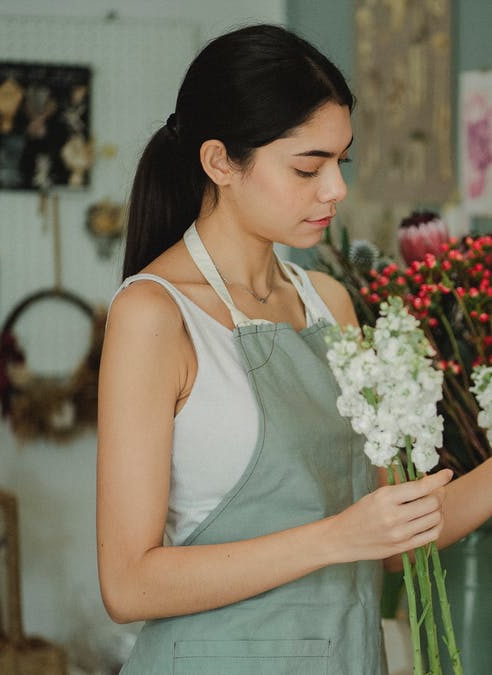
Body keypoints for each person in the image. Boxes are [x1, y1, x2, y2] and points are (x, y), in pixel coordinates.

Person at [97, 24, 492, 675]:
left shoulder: (329, 303)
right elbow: (128, 584)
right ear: (220, 162)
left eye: (343, 162)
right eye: (308, 166)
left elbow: (390, 539)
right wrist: (336, 537)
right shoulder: (154, 314)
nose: (335, 188)